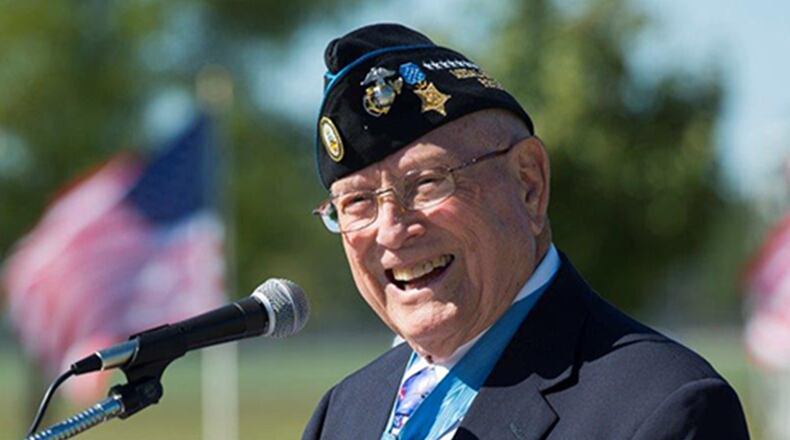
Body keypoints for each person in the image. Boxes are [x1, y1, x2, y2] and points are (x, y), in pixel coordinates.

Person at [303, 23, 749, 439]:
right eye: (357, 203)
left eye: (426, 183)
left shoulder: (662, 408)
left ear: (528, 184)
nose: (392, 231)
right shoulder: (343, 414)